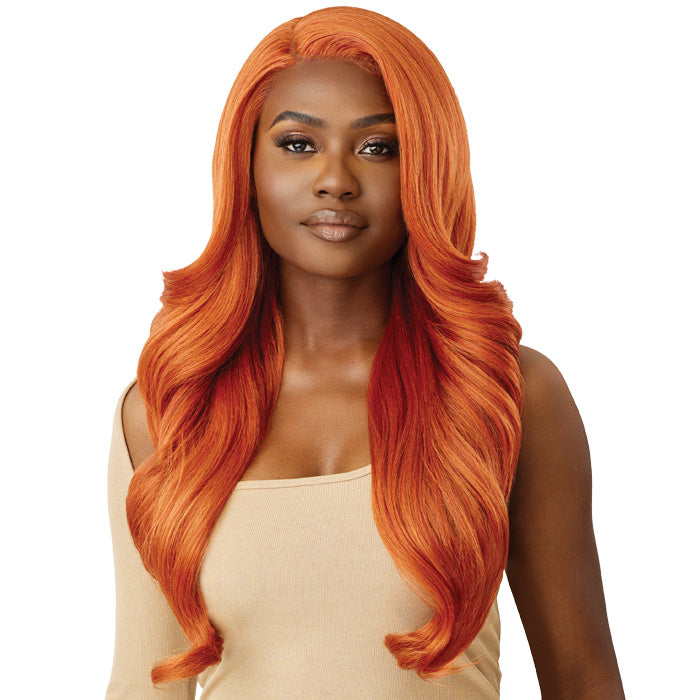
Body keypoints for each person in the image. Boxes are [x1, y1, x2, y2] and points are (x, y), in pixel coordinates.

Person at [105, 6, 624, 699]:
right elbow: (144, 685)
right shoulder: (171, 406)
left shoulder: (509, 393)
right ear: (244, 165)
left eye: (379, 148)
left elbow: (584, 680)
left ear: (426, 170)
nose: (336, 180)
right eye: (298, 144)